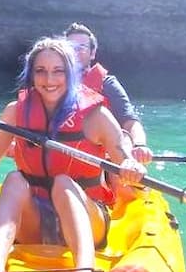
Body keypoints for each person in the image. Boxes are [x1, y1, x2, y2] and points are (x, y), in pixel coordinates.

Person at [0, 36, 147, 272]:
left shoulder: (97, 116)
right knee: (14, 179)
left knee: (63, 183)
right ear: (31, 75)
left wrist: (131, 167)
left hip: (89, 221)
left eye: (58, 71)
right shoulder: (16, 112)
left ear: (71, 74)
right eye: (41, 71)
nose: (49, 80)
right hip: (37, 222)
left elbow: (127, 165)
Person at [63, 22, 152, 165]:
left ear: (92, 53)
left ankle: (124, 179)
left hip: (103, 155)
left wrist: (140, 145)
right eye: (70, 48)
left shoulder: (107, 83)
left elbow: (129, 120)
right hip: (64, 151)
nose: (74, 52)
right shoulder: (52, 85)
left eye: (81, 48)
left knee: (124, 138)